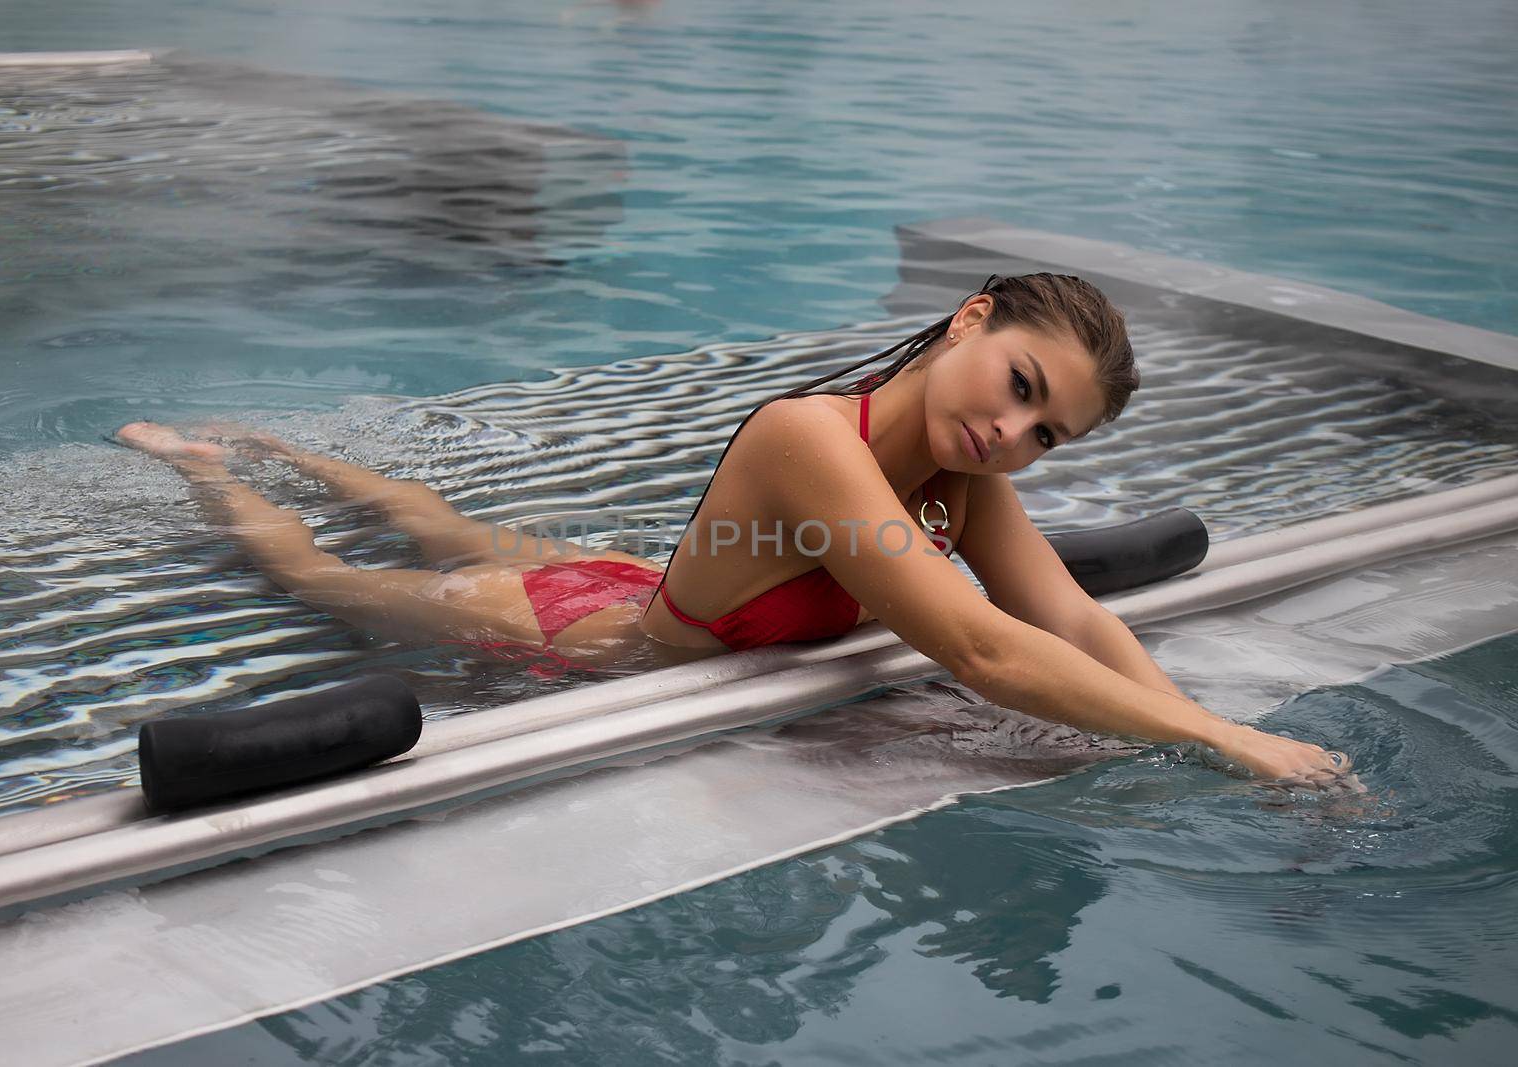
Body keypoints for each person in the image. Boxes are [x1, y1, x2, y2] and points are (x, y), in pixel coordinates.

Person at [115, 273, 1354, 788]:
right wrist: (1227, 738)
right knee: (319, 570)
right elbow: (979, 648)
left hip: (649, 580)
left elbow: (1069, 614)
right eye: (1023, 388)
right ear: (972, 321)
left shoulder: (959, 476)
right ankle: (213, 464)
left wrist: (1209, 731)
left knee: (443, 519)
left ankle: (288, 445)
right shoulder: (811, 437)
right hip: (585, 634)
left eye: (1050, 437)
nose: (1015, 437)